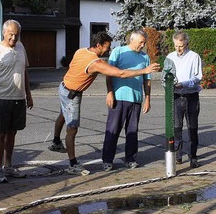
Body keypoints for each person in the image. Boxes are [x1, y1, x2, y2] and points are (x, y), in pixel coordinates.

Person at [48, 31, 160, 175]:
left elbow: (71, 65)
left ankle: (56, 141)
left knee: (63, 115)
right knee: (72, 128)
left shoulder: (81, 51)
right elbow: (120, 74)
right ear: (99, 45)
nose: (109, 49)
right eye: (107, 46)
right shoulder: (96, 63)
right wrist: (144, 70)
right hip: (72, 94)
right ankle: (73, 164)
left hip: (64, 87)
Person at [0, 19, 33, 183]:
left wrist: (28, 94)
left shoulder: (21, 47)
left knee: (12, 134)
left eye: (16, 35)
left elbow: (24, 71)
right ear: (4, 32)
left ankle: (8, 165)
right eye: (11, 34)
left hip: (18, 98)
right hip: (1, 98)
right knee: (1, 134)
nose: (13, 38)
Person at [101, 30, 152, 171]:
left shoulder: (145, 57)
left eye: (144, 43)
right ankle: (107, 160)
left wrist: (147, 98)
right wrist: (109, 92)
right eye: (140, 42)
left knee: (132, 131)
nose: (142, 45)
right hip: (119, 97)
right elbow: (108, 73)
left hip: (136, 98)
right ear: (132, 39)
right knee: (113, 129)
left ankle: (130, 159)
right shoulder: (119, 51)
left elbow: (147, 80)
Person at [167, 31, 202, 168]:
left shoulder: (194, 57)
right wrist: (168, 84)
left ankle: (193, 157)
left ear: (186, 43)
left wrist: (185, 83)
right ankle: (178, 155)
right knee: (176, 127)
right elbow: (166, 75)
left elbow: (198, 77)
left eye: (180, 46)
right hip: (176, 96)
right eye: (176, 46)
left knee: (192, 128)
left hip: (191, 96)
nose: (178, 49)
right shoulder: (170, 57)